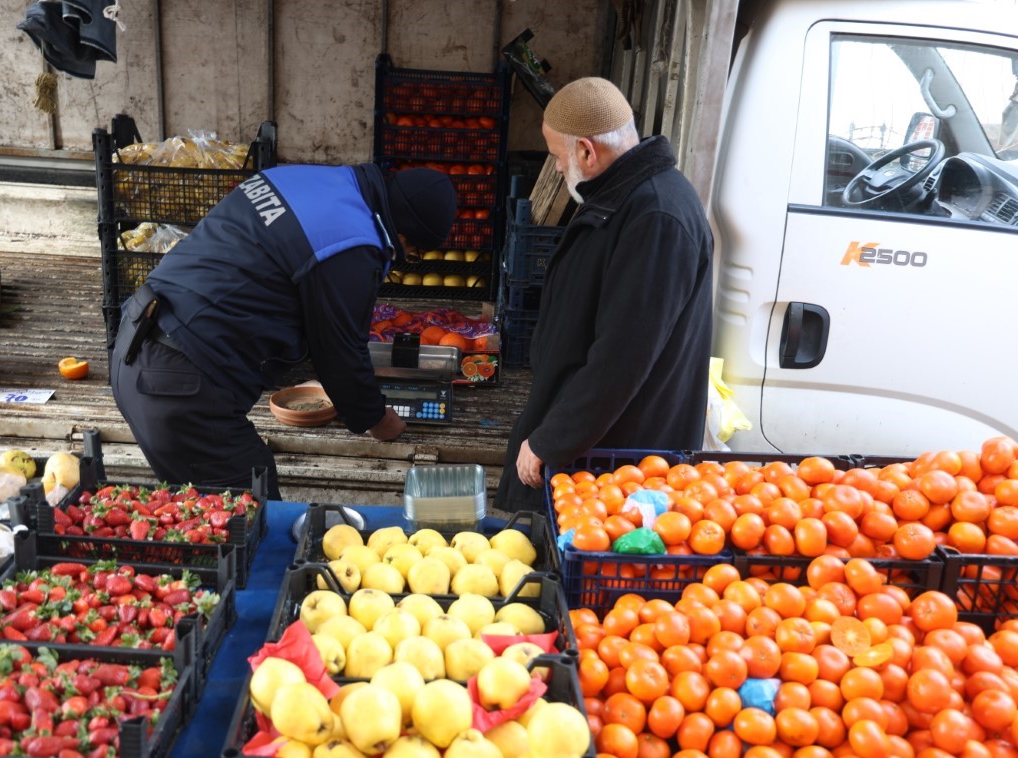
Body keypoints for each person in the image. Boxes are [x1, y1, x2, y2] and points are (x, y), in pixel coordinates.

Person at [111, 163, 457, 500]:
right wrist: (379, 421)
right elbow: (341, 353)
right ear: (402, 234)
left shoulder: (305, 179)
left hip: (136, 345)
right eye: (410, 252)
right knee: (252, 522)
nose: (403, 256)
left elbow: (272, 278)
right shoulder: (353, 243)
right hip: (178, 386)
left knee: (210, 525)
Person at [495, 76, 714, 513]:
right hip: (597, 440)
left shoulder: (656, 217)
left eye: (557, 156)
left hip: (619, 459)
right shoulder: (624, 196)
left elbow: (622, 356)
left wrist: (551, 439)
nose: (556, 168)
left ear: (586, 151)